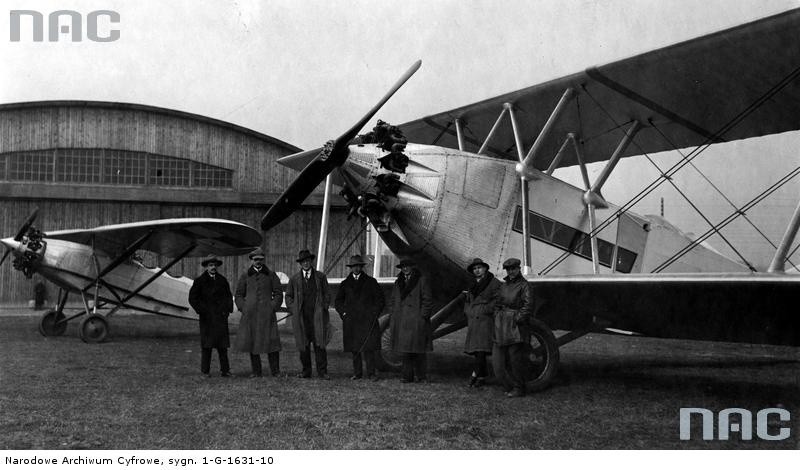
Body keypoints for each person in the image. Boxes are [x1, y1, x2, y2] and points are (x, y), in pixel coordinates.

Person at [234, 248, 283, 378]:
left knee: (272, 343)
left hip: (267, 315)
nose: (258, 262)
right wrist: (244, 308)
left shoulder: (271, 275)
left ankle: (275, 371)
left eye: (260, 260)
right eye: (256, 260)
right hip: (251, 316)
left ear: (263, 260)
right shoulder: (245, 275)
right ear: (251, 260)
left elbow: (278, 293)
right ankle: (256, 371)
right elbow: (238, 295)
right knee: (253, 342)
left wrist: (272, 307)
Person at [334, 254, 386, 381]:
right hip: (352, 321)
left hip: (368, 320)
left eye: (358, 266)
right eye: (353, 266)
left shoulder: (371, 282)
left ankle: (371, 373)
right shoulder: (345, 284)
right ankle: (357, 373)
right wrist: (344, 314)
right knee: (355, 348)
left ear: (361, 267)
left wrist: (374, 314)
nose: (356, 269)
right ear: (350, 268)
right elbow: (338, 302)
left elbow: (380, 300)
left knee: (369, 348)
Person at [286, 249, 331, 379]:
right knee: (303, 345)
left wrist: (324, 307)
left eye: (308, 261)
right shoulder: (294, 279)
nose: (306, 263)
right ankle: (306, 371)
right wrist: (293, 308)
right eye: (303, 261)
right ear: (300, 263)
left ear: (311, 261)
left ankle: (323, 372)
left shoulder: (320, 277)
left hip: (317, 317)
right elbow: (288, 296)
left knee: (320, 345)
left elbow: (327, 294)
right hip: (302, 318)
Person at [492, 258, 533, 398]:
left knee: (515, 358)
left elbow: (528, 306)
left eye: (513, 269)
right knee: (501, 357)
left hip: (515, 325)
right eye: (508, 269)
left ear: (519, 269)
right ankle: (508, 385)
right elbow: (498, 302)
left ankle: (519, 388)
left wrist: (517, 319)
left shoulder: (524, 285)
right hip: (502, 322)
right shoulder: (503, 286)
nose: (511, 272)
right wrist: (497, 315)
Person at [389, 258, 434, 383]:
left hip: (416, 321)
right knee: (405, 351)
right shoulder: (398, 282)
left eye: (407, 266)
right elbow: (393, 300)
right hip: (402, 320)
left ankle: (421, 376)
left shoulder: (421, 280)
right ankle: (407, 376)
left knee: (419, 350)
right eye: (403, 267)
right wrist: (394, 314)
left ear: (412, 267)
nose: (405, 268)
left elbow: (427, 300)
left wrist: (422, 317)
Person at [188, 254, 233, 377]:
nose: (213, 267)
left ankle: (225, 371)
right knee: (207, 346)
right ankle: (205, 371)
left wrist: (227, 311)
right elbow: (192, 298)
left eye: (215, 265)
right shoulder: (199, 281)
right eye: (210, 265)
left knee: (222, 347)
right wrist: (202, 310)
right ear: (206, 267)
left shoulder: (222, 280)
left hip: (220, 318)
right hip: (207, 318)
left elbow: (229, 297)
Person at [463, 258, 501, 388]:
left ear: (485, 268)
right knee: (478, 350)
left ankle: (474, 375)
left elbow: (498, 300)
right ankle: (482, 377)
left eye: (479, 267)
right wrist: (468, 311)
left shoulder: (494, 282)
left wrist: (485, 310)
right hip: (474, 319)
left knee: (481, 349)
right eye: (474, 269)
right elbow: (468, 300)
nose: (477, 270)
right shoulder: (472, 284)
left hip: (485, 320)